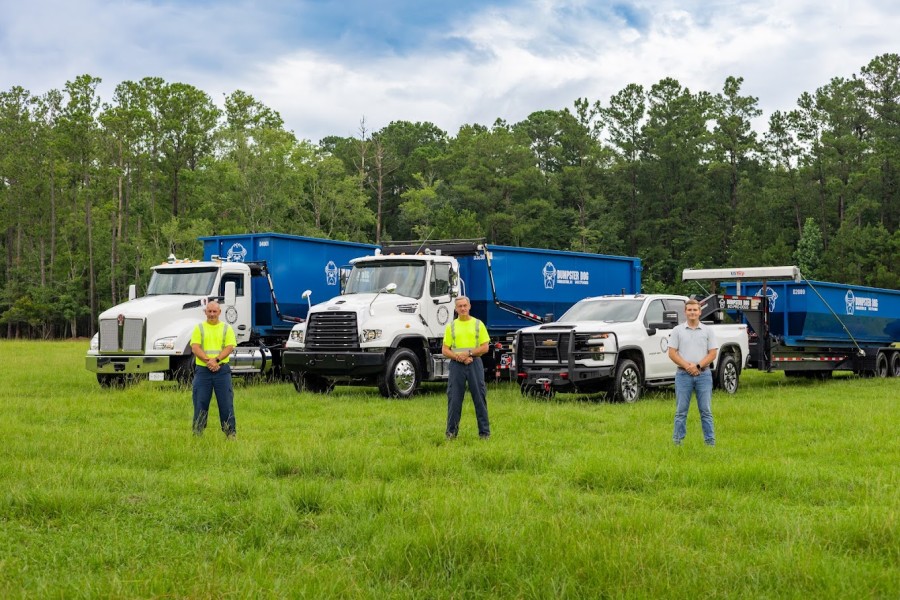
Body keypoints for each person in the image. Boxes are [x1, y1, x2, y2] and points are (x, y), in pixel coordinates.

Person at [667, 298, 718, 446]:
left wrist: (698, 366)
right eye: (689, 310)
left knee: (706, 411)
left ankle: (710, 443)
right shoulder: (677, 330)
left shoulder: (708, 331)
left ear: (700, 312)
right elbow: (672, 353)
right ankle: (677, 442)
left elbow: (712, 353)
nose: (692, 312)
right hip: (683, 375)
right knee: (681, 411)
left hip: (704, 375)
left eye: (695, 310)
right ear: (685, 312)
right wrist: (687, 366)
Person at [442, 296, 491, 439]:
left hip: (474, 363)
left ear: (469, 306)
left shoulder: (478, 324)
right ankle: (451, 433)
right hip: (457, 365)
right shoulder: (451, 326)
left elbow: (485, 347)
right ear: (456, 309)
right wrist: (459, 357)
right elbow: (445, 350)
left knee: (479, 398)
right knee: (454, 399)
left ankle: (484, 433)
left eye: (465, 305)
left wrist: (469, 353)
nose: (463, 308)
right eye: (460, 306)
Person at [190, 301, 237, 438]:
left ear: (219, 312)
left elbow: (229, 347)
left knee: (226, 403)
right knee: (200, 402)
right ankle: (198, 433)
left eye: (214, 311)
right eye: (209, 311)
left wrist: (216, 360)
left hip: (222, 371)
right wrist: (209, 361)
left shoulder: (226, 328)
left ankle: (230, 433)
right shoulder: (199, 328)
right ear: (205, 312)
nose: (211, 314)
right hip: (203, 371)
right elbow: (195, 347)